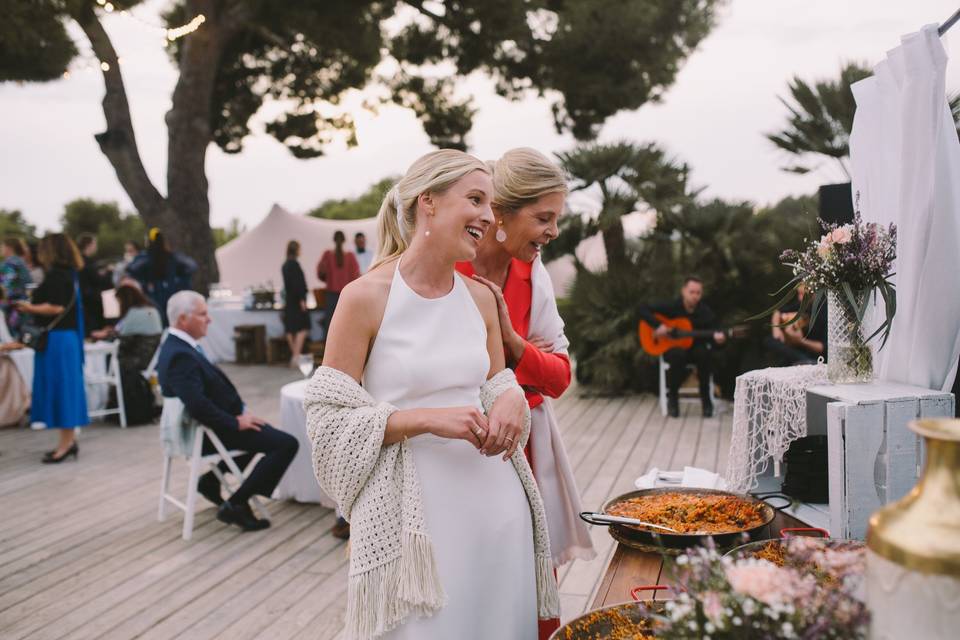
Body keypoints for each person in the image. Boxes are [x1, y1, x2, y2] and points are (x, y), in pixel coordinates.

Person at [305, 149, 557, 639]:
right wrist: (422, 419)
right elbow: (328, 422)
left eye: (491, 203)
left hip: (497, 508)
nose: (488, 215)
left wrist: (509, 398)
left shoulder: (482, 297)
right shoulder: (364, 298)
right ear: (429, 203)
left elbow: (497, 383)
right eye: (476, 199)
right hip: (414, 523)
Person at [455, 148, 595, 639]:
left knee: (528, 570)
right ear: (500, 214)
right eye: (543, 218)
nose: (553, 232)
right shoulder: (450, 269)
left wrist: (514, 345)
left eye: (556, 218)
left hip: (523, 448)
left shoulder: (531, 275)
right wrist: (524, 370)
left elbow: (560, 376)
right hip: (458, 448)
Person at [156, 290, 299, 531]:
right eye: (203, 315)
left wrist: (241, 416)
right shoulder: (181, 354)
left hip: (214, 426)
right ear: (183, 319)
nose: (209, 319)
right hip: (207, 434)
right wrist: (236, 422)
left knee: (263, 433)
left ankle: (211, 482)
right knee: (285, 444)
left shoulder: (178, 345)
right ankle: (237, 504)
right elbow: (198, 406)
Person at [15, 234, 89, 463]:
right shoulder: (70, 275)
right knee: (62, 389)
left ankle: (66, 445)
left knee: (62, 390)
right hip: (63, 339)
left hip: (58, 340)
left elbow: (55, 307)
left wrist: (28, 307)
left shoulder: (57, 275)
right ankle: (67, 441)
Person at [639, 276, 726, 418]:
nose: (695, 296)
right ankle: (672, 398)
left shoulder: (705, 313)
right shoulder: (671, 306)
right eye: (692, 292)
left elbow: (715, 337)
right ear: (683, 291)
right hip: (672, 349)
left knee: (704, 353)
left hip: (695, 349)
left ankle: (706, 400)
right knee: (677, 355)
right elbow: (642, 309)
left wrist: (720, 341)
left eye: (698, 293)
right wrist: (658, 325)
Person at [127, 228, 197, 327]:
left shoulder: (146, 258)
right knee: (171, 322)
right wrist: (179, 281)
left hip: (152, 296)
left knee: (156, 324)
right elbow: (191, 266)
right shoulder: (172, 257)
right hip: (171, 293)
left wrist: (143, 282)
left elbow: (131, 270)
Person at [91, 284, 164, 371]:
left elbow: (121, 339)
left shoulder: (134, 313)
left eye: (119, 301)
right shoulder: (151, 310)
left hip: (137, 360)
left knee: (107, 357)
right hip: (150, 358)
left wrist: (106, 335)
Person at [765, 282, 826, 366]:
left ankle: (807, 361)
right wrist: (777, 329)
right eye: (799, 294)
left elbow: (823, 348)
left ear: (814, 294)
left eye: (803, 295)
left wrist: (801, 341)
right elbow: (778, 312)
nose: (800, 299)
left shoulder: (824, 312)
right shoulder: (802, 304)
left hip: (816, 354)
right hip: (797, 348)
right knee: (770, 340)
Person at [315, 230, 359, 339]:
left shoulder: (327, 255)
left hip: (331, 296)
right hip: (347, 295)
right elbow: (356, 276)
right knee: (347, 322)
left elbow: (320, 273)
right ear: (344, 240)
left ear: (334, 240)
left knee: (329, 324)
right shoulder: (350, 256)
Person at [76, 233, 114, 336]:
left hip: (85, 299)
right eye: (94, 244)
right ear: (89, 245)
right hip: (91, 302)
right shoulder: (86, 261)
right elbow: (97, 280)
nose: (96, 247)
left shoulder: (78, 260)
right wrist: (109, 273)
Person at [281, 240, 310, 367]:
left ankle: (294, 356)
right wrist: (302, 300)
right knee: (302, 328)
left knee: (290, 328)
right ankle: (296, 356)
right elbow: (298, 285)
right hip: (297, 300)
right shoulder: (295, 265)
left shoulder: (285, 265)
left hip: (288, 300)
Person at [1, 237, 33, 336]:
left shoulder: (11, 263)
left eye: (2, 246)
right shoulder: (21, 262)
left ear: (9, 248)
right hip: (21, 308)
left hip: (11, 309)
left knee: (11, 340)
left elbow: (4, 286)